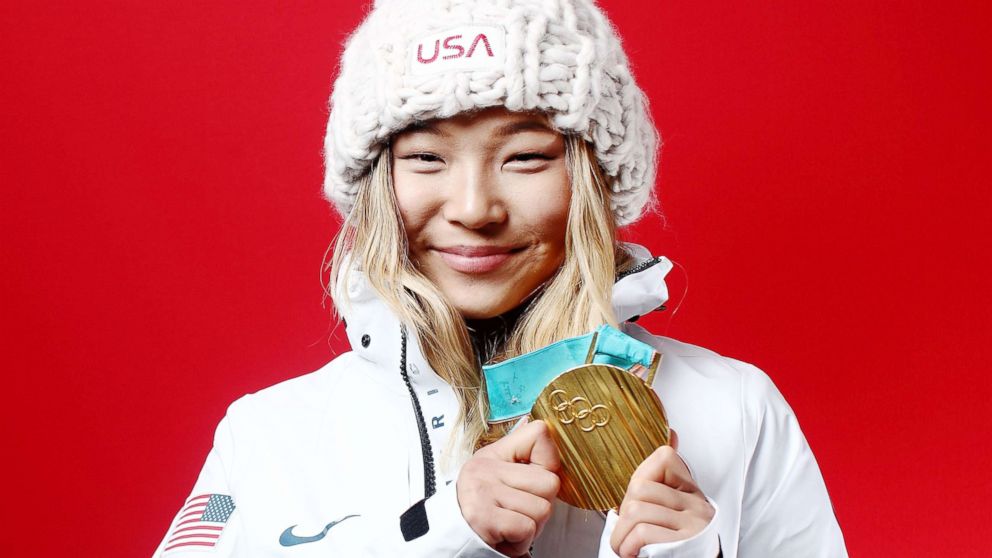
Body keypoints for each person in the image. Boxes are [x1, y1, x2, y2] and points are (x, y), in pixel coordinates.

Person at [153, 1, 847, 556]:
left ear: (595, 181)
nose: (473, 208)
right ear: (373, 183)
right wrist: (440, 534)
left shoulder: (736, 410)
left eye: (524, 157)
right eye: (425, 156)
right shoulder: (271, 434)